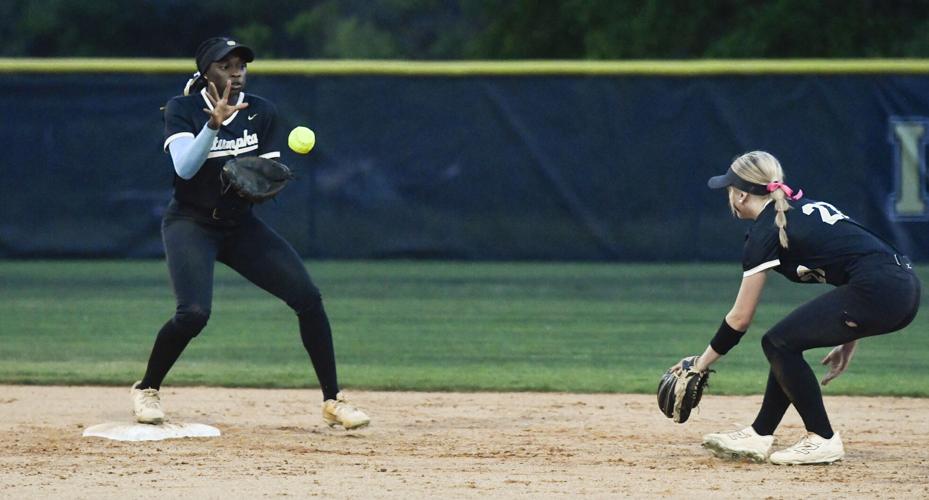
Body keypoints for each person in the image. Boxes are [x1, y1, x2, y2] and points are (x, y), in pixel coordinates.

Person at [130, 37, 369, 430]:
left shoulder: (261, 112)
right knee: (193, 314)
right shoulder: (183, 109)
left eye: (241, 65)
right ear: (207, 71)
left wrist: (263, 184)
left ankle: (333, 400)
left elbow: (262, 171)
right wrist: (213, 126)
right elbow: (185, 168)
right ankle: (147, 388)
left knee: (308, 298)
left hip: (238, 225)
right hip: (191, 223)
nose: (236, 72)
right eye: (226, 65)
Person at [674, 151, 920, 464]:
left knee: (778, 342)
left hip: (881, 290)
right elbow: (855, 258)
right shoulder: (798, 209)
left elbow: (740, 318)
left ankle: (822, 437)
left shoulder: (766, 230)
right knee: (785, 342)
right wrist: (848, 335)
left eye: (729, 190)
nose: (728, 197)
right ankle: (759, 433)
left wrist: (700, 364)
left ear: (739, 195)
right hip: (899, 286)